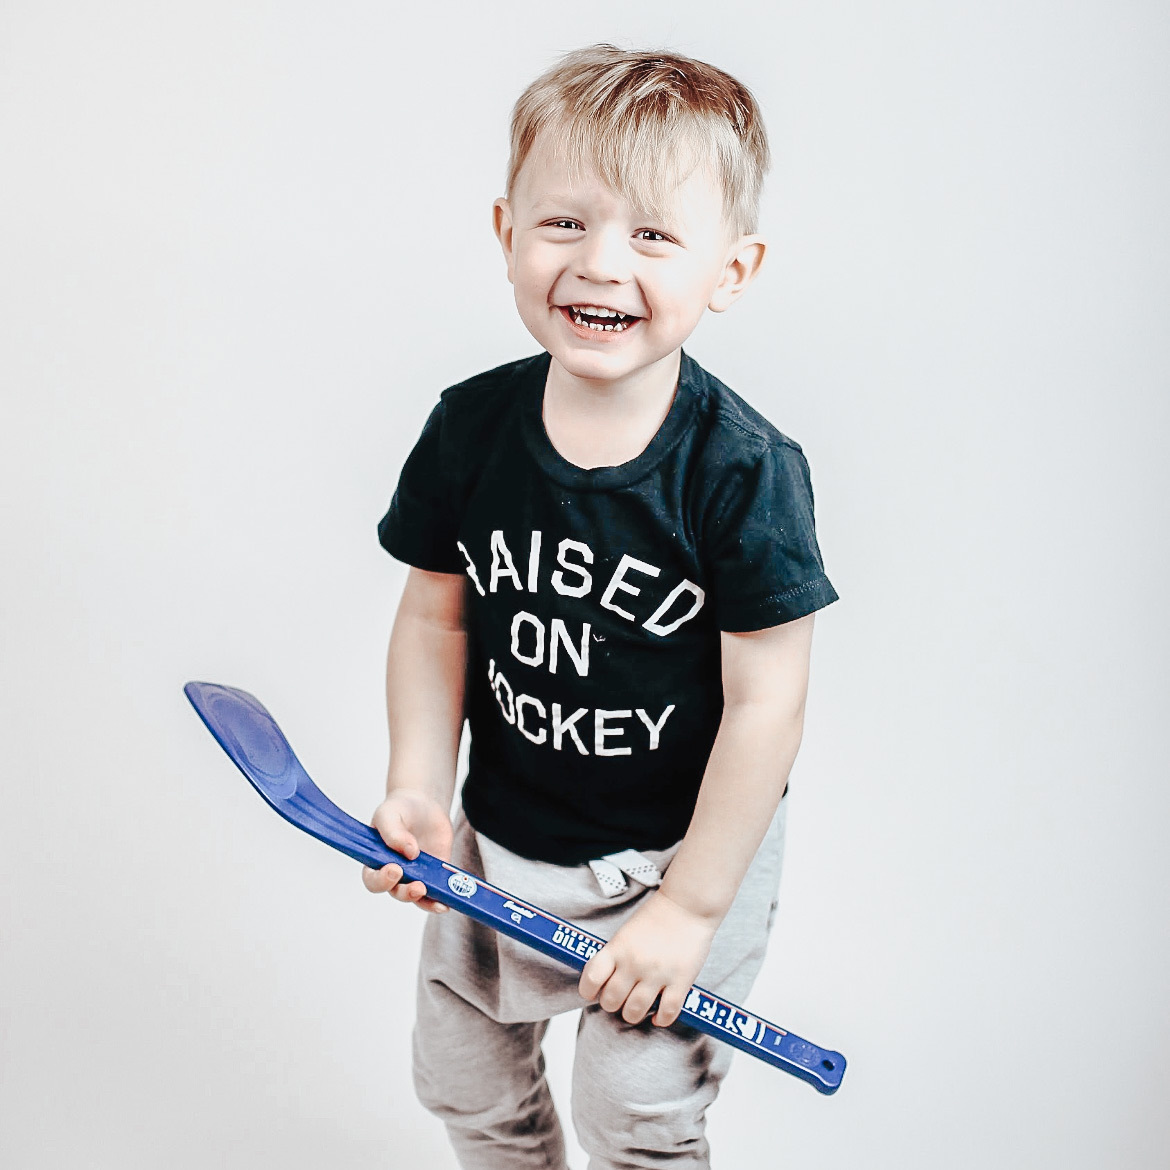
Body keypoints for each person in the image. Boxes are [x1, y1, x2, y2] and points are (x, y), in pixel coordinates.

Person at [362, 43, 838, 1170]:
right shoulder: (470, 431)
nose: (599, 265)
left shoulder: (743, 472)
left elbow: (767, 705)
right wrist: (421, 787)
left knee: (637, 1117)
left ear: (732, 267)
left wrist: (688, 908)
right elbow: (436, 616)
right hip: (503, 837)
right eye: (564, 223)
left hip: (674, 859)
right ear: (506, 232)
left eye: (654, 235)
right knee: (460, 1081)